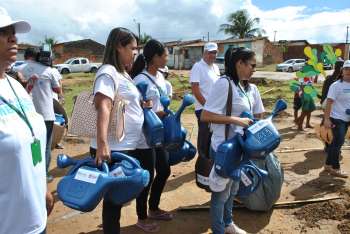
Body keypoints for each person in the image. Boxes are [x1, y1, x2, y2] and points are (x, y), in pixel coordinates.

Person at [90, 27, 159, 234]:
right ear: (119, 47)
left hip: (126, 146)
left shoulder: (123, 74)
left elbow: (125, 103)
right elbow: (104, 105)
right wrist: (103, 144)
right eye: (132, 48)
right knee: (113, 202)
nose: (135, 53)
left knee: (118, 199)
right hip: (113, 148)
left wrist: (141, 105)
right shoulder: (107, 72)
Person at [0, 8, 53, 234]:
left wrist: (42, 188)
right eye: (3, 32)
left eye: (13, 32)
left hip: (36, 220)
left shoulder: (15, 87)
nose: (14, 38)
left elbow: (33, 143)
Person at [201, 47, 265, 234]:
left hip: (239, 148)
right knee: (220, 194)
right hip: (224, 148)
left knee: (232, 189)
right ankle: (218, 229)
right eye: (252, 65)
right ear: (240, 63)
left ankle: (228, 223)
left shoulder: (241, 86)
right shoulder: (224, 84)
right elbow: (206, 115)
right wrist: (236, 120)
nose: (254, 69)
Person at [131, 39, 174, 226]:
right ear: (155, 57)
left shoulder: (160, 77)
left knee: (164, 170)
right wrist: (158, 113)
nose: (167, 58)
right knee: (146, 176)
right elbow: (136, 112)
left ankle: (153, 208)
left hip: (159, 133)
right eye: (164, 55)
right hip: (145, 137)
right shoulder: (139, 80)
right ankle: (141, 218)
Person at [19, 46, 62, 182]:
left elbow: (20, 81)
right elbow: (57, 89)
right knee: (46, 145)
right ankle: (43, 175)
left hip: (29, 115)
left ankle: (33, 173)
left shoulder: (24, 68)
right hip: (46, 114)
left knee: (33, 144)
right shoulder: (50, 71)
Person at [190, 42, 220, 160]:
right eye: (210, 53)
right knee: (205, 136)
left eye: (214, 53)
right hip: (203, 109)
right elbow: (195, 90)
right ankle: (203, 161)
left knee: (214, 136)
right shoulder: (198, 67)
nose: (212, 55)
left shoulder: (216, 67)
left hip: (215, 108)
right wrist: (207, 107)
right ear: (204, 53)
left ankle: (210, 160)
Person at [323, 60, 350, 178]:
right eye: (346, 69)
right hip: (336, 118)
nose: (349, 71)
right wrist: (327, 119)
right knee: (338, 143)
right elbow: (329, 103)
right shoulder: (336, 85)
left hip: (347, 118)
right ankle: (335, 168)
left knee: (335, 143)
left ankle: (328, 165)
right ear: (342, 71)